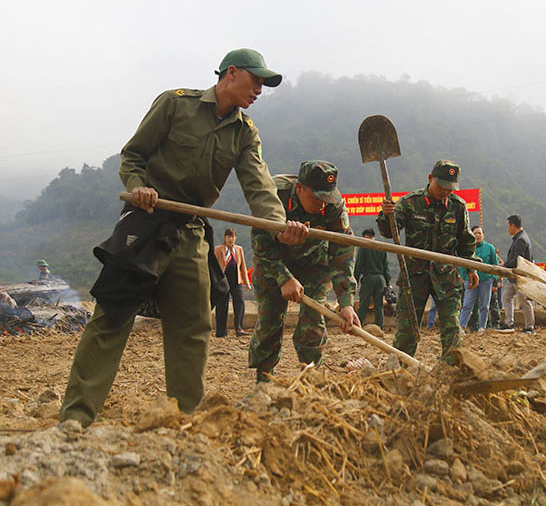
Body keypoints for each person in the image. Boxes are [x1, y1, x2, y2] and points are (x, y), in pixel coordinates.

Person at [59, 48, 308, 428]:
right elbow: (133, 155)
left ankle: (184, 419)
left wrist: (280, 227)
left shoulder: (245, 132)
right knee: (112, 316)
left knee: (193, 327)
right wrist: (139, 186)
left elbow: (258, 186)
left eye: (263, 84)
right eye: (255, 80)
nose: (259, 89)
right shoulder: (175, 105)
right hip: (145, 223)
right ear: (231, 73)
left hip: (191, 231)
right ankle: (76, 417)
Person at [249, 161, 358, 381]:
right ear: (299, 188)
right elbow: (261, 246)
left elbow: (342, 253)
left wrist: (346, 302)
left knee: (313, 322)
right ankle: (264, 379)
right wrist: (284, 278)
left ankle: (310, 379)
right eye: (316, 198)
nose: (322, 204)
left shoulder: (334, 206)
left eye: (326, 198)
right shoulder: (274, 195)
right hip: (272, 261)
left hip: (314, 264)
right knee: (269, 321)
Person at [378, 160, 479, 363]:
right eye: (441, 186)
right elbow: (390, 231)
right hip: (414, 277)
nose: (445, 192)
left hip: (447, 277)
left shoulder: (458, 207)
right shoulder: (409, 203)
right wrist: (386, 215)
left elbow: (465, 241)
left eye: (450, 188)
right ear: (430, 178)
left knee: (451, 327)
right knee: (407, 330)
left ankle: (451, 372)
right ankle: (401, 372)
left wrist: (471, 267)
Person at [499, 215, 535, 334]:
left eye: (508, 226)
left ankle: (529, 327)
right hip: (513, 276)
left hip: (520, 276)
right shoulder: (521, 238)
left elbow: (516, 260)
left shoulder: (520, 240)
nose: (507, 228)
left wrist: (504, 266)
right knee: (506, 296)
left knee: (524, 301)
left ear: (513, 226)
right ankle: (509, 323)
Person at [459, 226, 499, 333]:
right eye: (475, 233)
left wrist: (493, 278)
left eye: (479, 233)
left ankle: (482, 327)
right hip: (470, 280)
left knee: (484, 305)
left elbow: (495, 264)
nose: (477, 235)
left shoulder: (490, 248)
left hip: (486, 280)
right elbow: (462, 263)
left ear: (483, 235)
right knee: (467, 304)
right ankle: (462, 326)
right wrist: (464, 277)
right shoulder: (468, 248)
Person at [213, 228, 251, 337]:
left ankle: (239, 328)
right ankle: (221, 331)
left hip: (236, 280)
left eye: (233, 236)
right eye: (229, 236)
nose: (231, 239)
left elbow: (243, 266)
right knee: (222, 305)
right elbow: (215, 267)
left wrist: (247, 282)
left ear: (235, 238)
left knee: (239, 302)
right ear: (225, 238)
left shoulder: (239, 249)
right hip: (223, 280)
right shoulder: (219, 249)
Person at [354, 228, 392, 327]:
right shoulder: (381, 248)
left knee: (364, 304)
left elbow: (359, 265)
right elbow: (386, 267)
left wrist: (355, 280)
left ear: (366, 237)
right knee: (378, 305)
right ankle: (380, 326)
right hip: (381, 279)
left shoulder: (363, 247)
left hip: (369, 278)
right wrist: (388, 283)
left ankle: (358, 325)